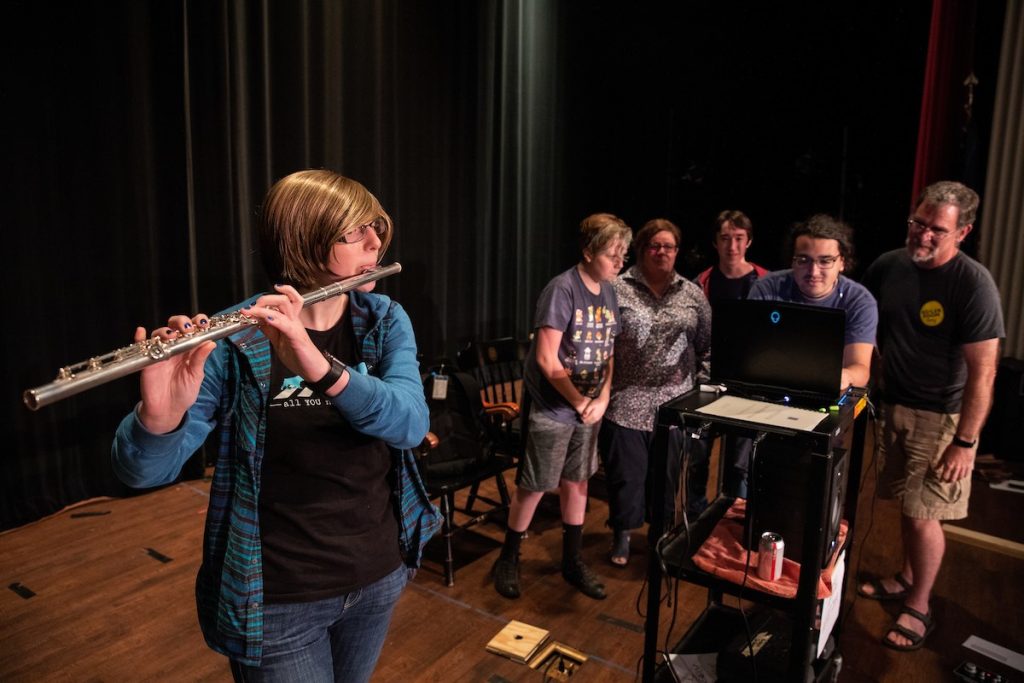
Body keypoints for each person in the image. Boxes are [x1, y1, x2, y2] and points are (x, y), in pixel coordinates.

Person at [111, 170, 440, 682]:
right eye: (355, 232)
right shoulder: (236, 337)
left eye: (376, 227)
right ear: (304, 240)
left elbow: (410, 425)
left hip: (378, 574)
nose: (376, 242)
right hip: (279, 597)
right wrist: (159, 419)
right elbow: (142, 474)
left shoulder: (384, 319)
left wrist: (321, 368)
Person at [857, 181, 1003, 651]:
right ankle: (905, 576)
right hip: (893, 407)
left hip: (942, 419)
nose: (921, 235)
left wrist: (965, 442)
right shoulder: (889, 266)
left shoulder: (973, 284)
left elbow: (984, 372)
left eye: (935, 229)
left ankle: (919, 605)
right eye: (917, 223)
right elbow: (867, 329)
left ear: (963, 231)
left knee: (924, 515)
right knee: (908, 505)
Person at [492, 213, 631, 600]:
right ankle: (508, 557)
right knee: (535, 485)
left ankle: (572, 560)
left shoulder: (610, 291)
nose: (620, 262)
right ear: (588, 251)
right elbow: (547, 359)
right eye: (612, 253)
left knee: (578, 481)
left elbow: (609, 350)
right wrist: (580, 400)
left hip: (588, 407)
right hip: (555, 408)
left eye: (623, 253)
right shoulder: (562, 289)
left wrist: (602, 397)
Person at [599, 219, 711, 566]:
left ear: (678, 252)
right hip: (625, 401)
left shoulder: (692, 293)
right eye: (654, 246)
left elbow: (707, 346)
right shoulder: (616, 288)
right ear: (643, 249)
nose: (662, 252)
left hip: (675, 402)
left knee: (665, 480)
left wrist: (702, 395)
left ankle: (660, 536)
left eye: (669, 246)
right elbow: (601, 343)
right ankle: (622, 533)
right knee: (626, 478)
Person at [748, 213, 877, 391]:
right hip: (772, 387)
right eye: (803, 260)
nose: (813, 271)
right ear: (792, 261)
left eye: (825, 261)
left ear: (842, 263)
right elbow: (752, 353)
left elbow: (860, 369)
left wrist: (843, 376)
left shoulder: (859, 301)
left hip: (828, 390)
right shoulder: (766, 288)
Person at [692, 210, 769, 504]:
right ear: (715, 242)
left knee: (740, 464)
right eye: (725, 238)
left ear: (749, 241)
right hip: (707, 378)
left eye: (738, 239)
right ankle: (695, 526)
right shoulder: (702, 282)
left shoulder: (765, 282)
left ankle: (730, 524)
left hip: (749, 383)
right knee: (697, 457)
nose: (732, 246)